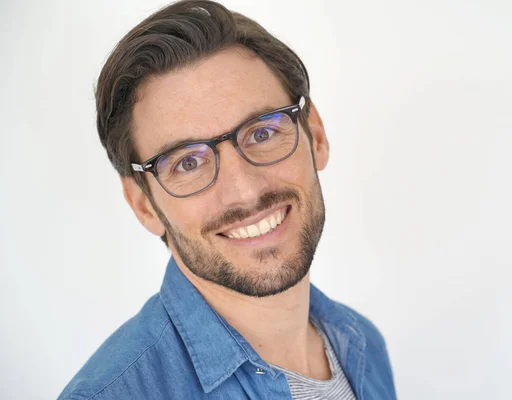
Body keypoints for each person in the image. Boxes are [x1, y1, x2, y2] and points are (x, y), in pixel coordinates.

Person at [59, 1, 396, 398]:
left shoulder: (361, 344)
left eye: (262, 133)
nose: (246, 191)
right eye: (187, 163)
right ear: (144, 205)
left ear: (315, 136)